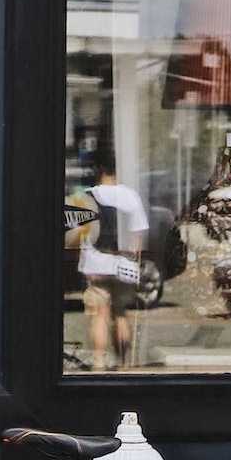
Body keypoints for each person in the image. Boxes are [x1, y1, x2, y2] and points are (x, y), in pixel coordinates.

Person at [77, 149, 149, 369]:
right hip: (123, 264)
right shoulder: (130, 196)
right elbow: (138, 232)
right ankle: (124, 363)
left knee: (100, 314)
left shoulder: (85, 196)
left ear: (97, 170)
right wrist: (134, 259)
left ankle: (98, 362)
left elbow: (77, 233)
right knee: (121, 314)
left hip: (95, 262)